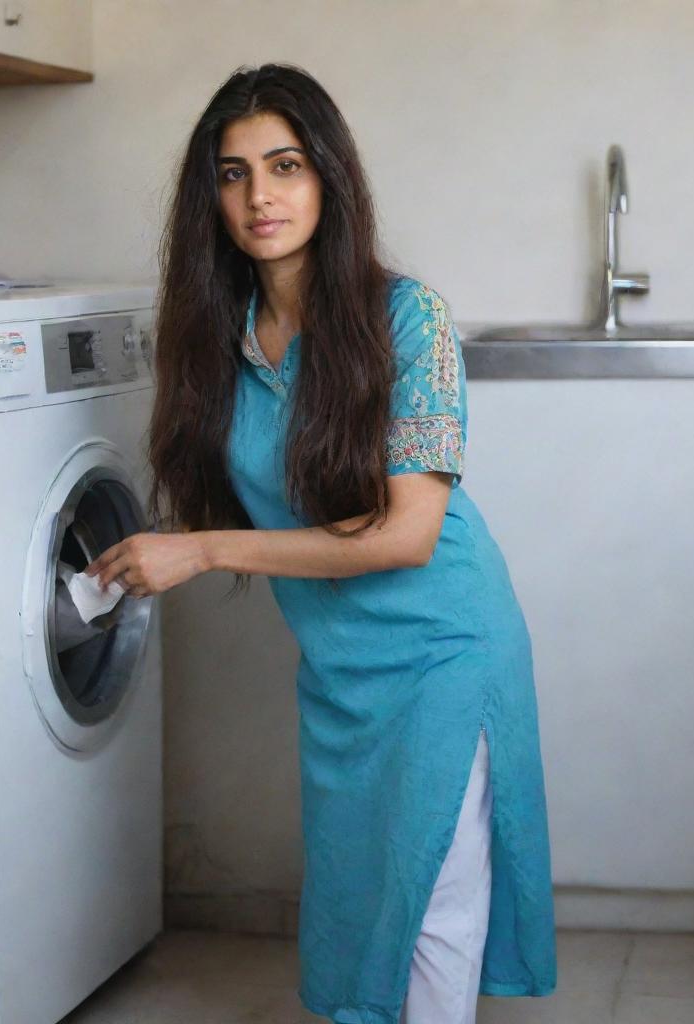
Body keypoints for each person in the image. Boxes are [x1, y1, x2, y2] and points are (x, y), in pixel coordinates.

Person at [83, 63, 557, 1024]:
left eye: (286, 165)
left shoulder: (404, 318)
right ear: (208, 196)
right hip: (342, 673)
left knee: (429, 908)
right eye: (233, 173)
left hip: (443, 650)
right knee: (360, 904)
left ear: (329, 177)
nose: (260, 195)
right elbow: (264, 495)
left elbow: (408, 534)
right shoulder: (223, 338)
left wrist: (205, 551)